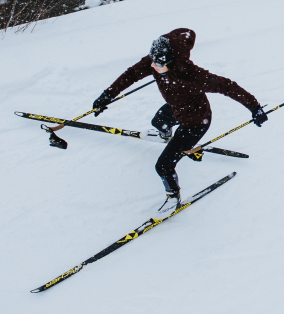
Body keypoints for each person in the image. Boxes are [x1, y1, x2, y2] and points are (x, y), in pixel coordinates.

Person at [92, 28, 268, 216]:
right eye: (152, 61)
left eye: (158, 64)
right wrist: (107, 96)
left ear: (170, 61)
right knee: (158, 121)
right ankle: (166, 134)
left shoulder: (193, 75)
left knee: (163, 166)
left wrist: (254, 107)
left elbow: (228, 86)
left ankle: (173, 197)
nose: (152, 66)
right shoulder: (155, 60)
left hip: (195, 122)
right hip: (175, 108)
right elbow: (130, 75)